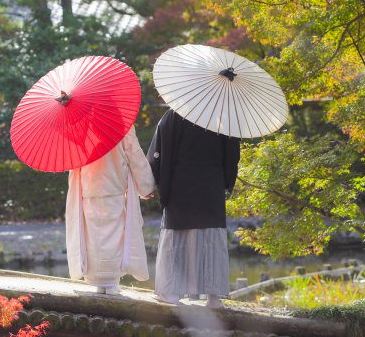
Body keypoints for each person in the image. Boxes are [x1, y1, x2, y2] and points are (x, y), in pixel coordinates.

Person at [146, 109, 240, 308]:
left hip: (180, 185)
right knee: (211, 239)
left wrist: (147, 184)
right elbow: (233, 155)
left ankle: (172, 293)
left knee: (176, 240)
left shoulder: (173, 115)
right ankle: (214, 298)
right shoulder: (223, 115)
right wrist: (225, 181)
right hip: (210, 187)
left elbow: (158, 153)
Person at [65, 125, 156, 294]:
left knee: (92, 236)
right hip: (113, 186)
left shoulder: (81, 126)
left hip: (89, 186)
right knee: (113, 235)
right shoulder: (122, 125)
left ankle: (98, 282)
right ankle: (111, 283)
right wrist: (146, 185)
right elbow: (135, 155)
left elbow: (72, 155)